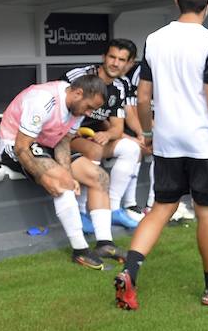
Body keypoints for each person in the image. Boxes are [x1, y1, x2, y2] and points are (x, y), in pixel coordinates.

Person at [115, 0, 208, 311]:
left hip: (167, 142)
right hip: (204, 144)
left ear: (176, 1)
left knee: (161, 208)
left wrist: (147, 133)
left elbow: (143, 98)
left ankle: (130, 271)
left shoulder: (154, 39)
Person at [0, 75, 114, 269]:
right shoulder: (43, 99)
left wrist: (66, 171)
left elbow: (63, 141)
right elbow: (21, 147)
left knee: (100, 177)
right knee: (63, 182)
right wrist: (44, 178)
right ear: (78, 93)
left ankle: (104, 243)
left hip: (47, 145)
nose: (90, 112)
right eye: (90, 107)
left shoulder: (78, 106)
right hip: (15, 145)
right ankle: (80, 250)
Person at [62, 40, 145, 233]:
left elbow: (117, 128)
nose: (115, 63)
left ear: (129, 64)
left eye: (121, 60)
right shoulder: (80, 76)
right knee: (95, 149)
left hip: (95, 138)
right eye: (112, 57)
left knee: (131, 148)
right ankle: (82, 211)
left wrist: (107, 134)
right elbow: (59, 106)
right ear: (103, 58)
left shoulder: (121, 85)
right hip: (67, 136)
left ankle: (113, 209)